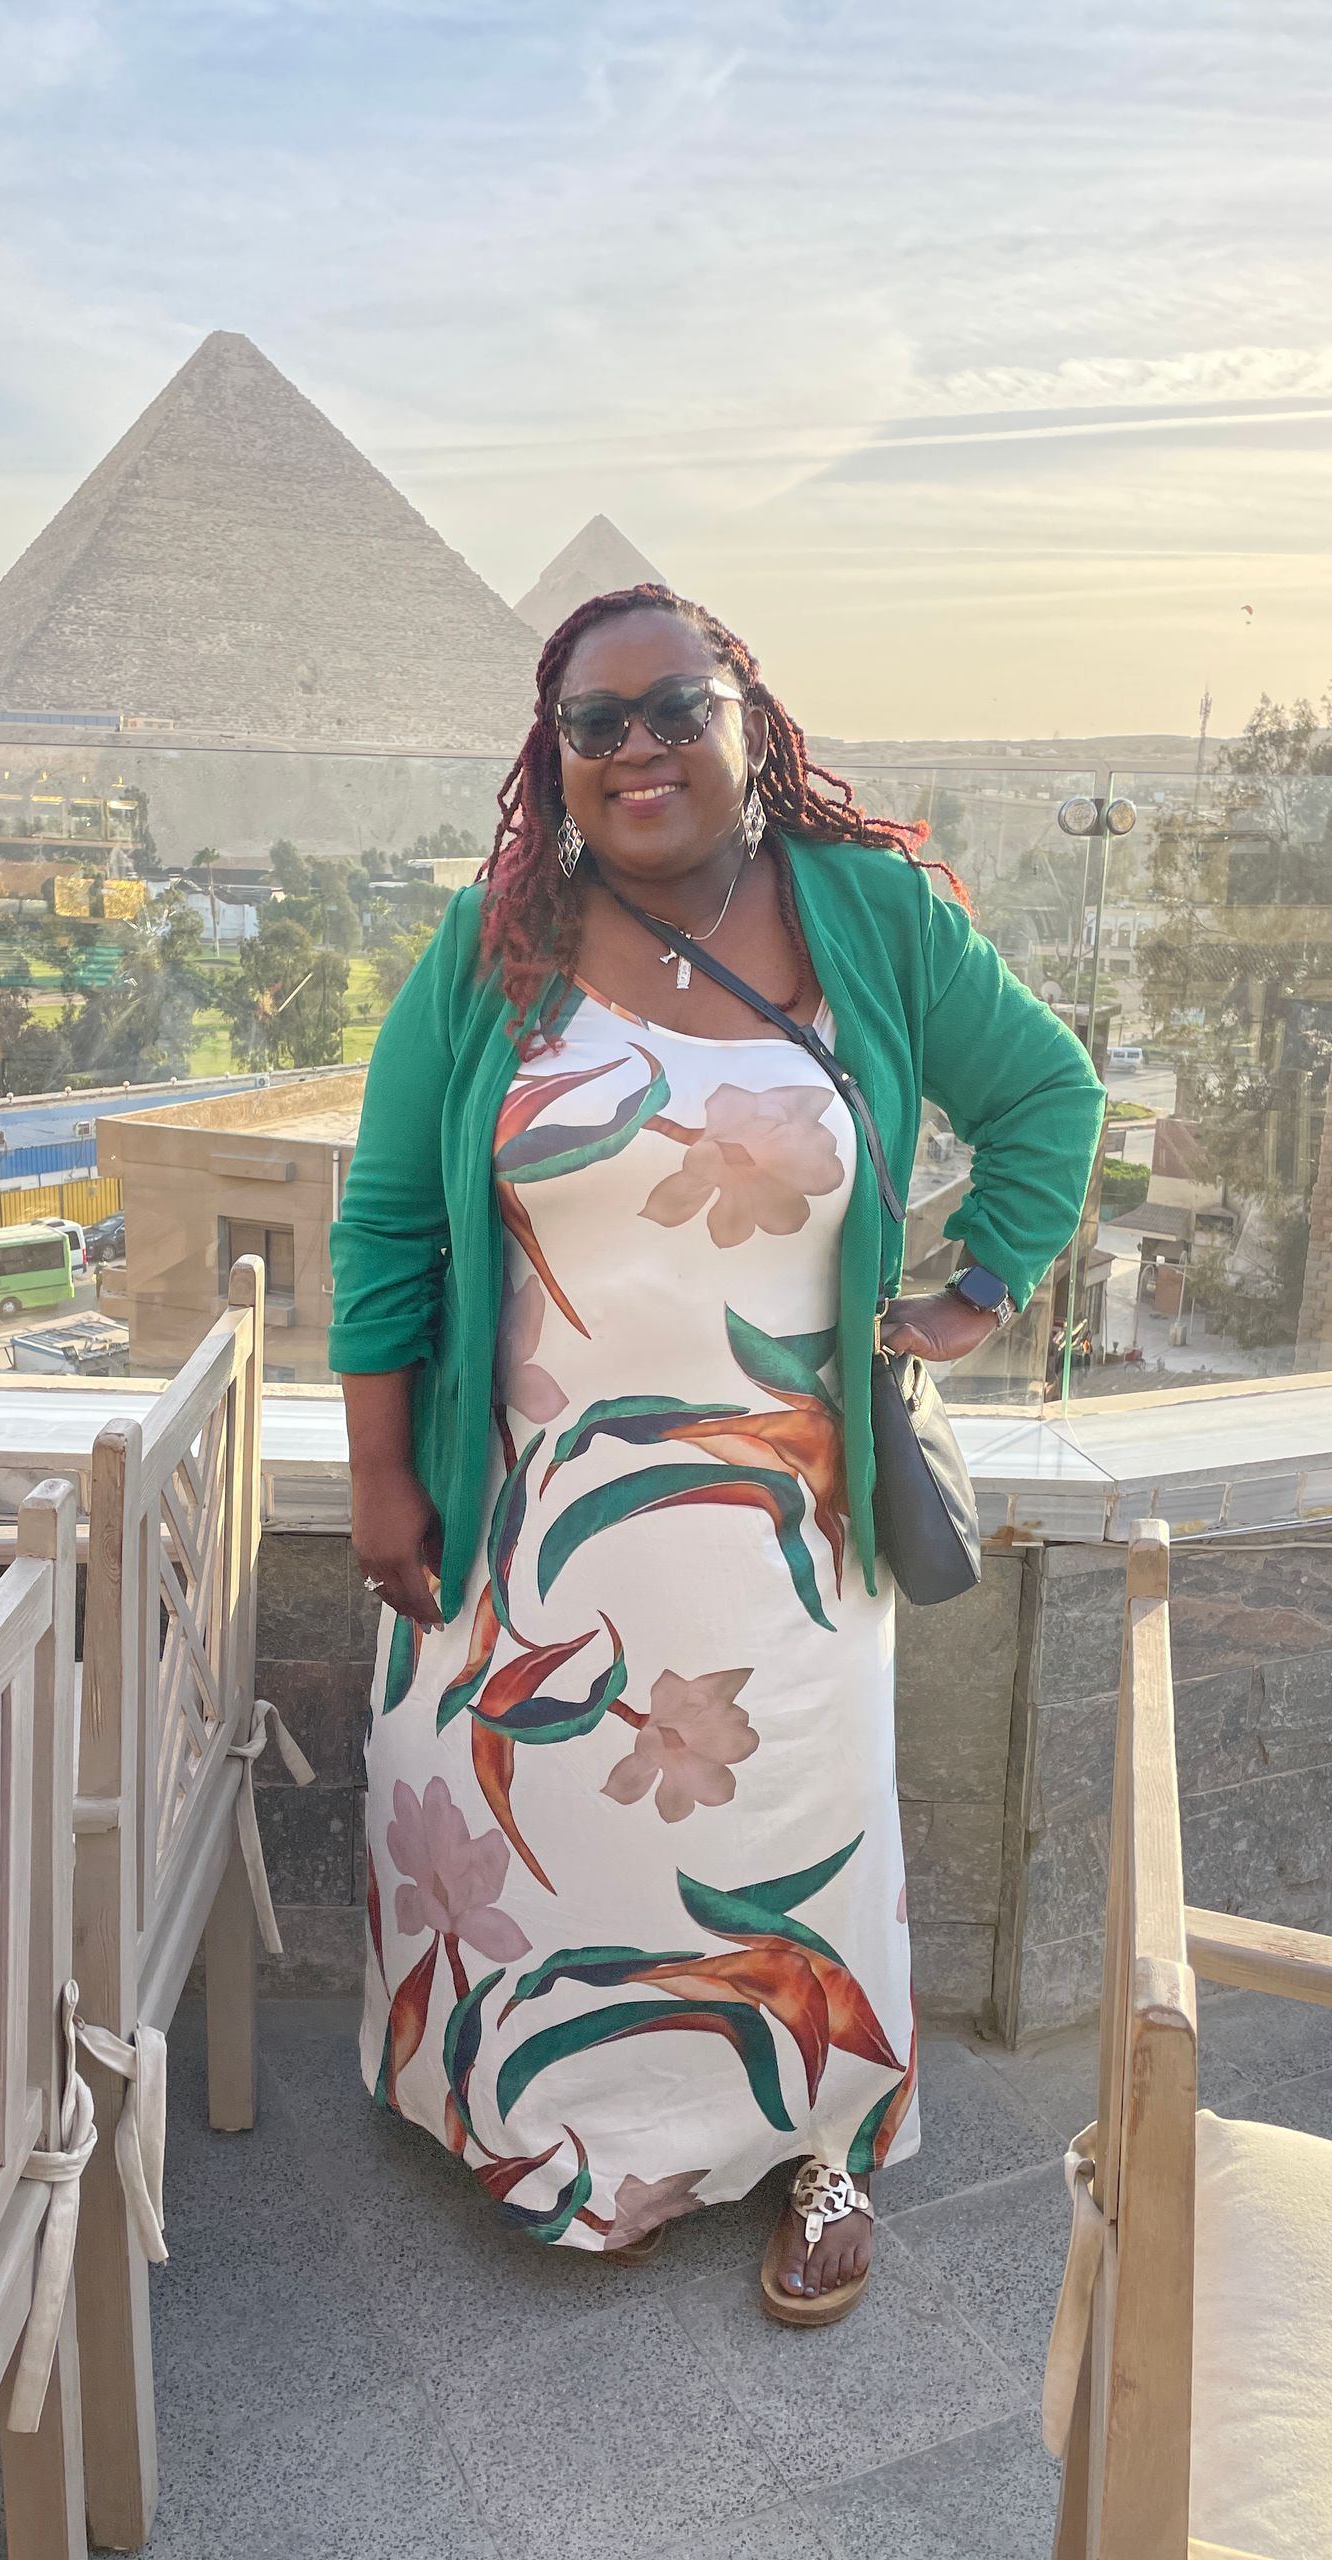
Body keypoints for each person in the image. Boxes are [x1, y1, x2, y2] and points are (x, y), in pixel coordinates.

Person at [330, 587, 1103, 2324]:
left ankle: (814, 2136)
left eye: (673, 706)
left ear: (747, 713)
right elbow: (385, 1221)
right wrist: (383, 1476)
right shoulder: (492, 945)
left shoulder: (875, 918)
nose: (637, 750)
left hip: (778, 1512)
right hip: (526, 1508)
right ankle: (539, 2119)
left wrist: (978, 1288)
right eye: (592, 726)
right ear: (558, 761)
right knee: (547, 1848)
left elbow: (1051, 1098)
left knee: (781, 1820)